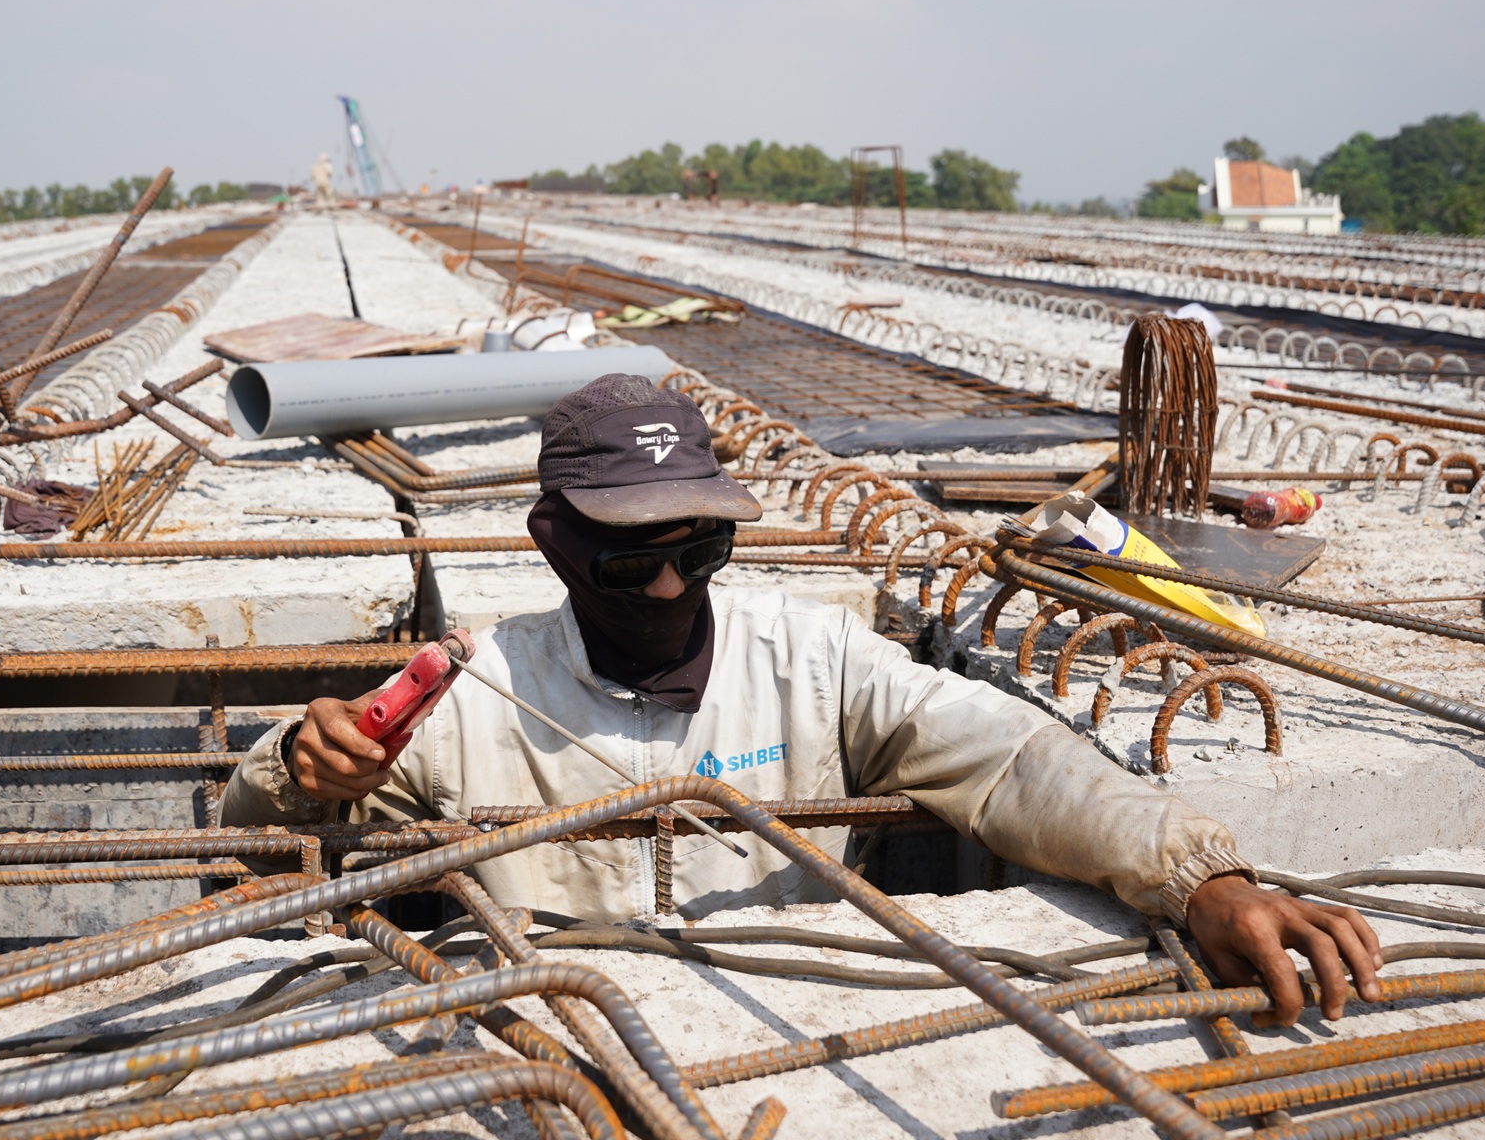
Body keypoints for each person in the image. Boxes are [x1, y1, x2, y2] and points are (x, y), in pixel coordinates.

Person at [223, 374, 1383, 1023]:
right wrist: (299, 769)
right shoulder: (473, 691)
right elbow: (254, 836)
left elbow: (1012, 758)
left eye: (704, 546)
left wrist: (1200, 875)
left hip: (795, 1031)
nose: (673, 583)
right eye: (633, 559)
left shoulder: (814, 660)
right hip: (548, 1046)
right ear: (554, 544)